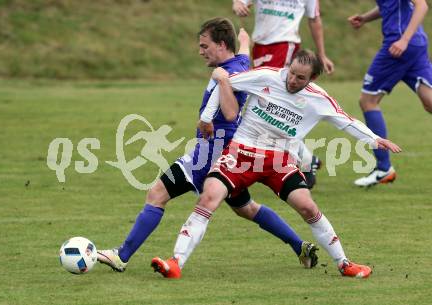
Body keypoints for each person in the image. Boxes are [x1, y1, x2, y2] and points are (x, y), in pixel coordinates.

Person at [151, 49, 402, 279]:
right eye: (292, 73)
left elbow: (346, 121)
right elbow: (224, 83)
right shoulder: (267, 76)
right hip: (241, 153)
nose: (292, 80)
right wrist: (206, 118)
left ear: (312, 78)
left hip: (279, 160)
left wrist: (375, 139)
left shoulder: (319, 99)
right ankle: (175, 263)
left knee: (307, 206)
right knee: (209, 198)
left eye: (300, 78)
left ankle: (344, 263)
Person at [97, 17, 318, 274]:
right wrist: (245, 40)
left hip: (212, 149)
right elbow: (244, 54)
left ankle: (121, 256)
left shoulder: (231, 73)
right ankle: (299, 245)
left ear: (221, 45)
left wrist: (209, 115)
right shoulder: (240, 62)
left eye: (205, 46)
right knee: (246, 208)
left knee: (157, 194)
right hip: (229, 151)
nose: (201, 51)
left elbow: (231, 113)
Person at [232, 0, 334, 188]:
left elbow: (314, 19)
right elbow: (240, 2)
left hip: (285, 45)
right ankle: (307, 159)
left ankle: (302, 162)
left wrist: (321, 54)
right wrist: (238, 4)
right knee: (263, 104)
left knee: (273, 106)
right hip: (261, 45)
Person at [349, 0, 432, 187]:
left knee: (368, 101)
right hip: (414, 45)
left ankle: (383, 168)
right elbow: (389, 5)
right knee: (430, 103)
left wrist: (404, 39)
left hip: (398, 46)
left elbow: (422, 5)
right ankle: (383, 169)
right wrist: (365, 18)